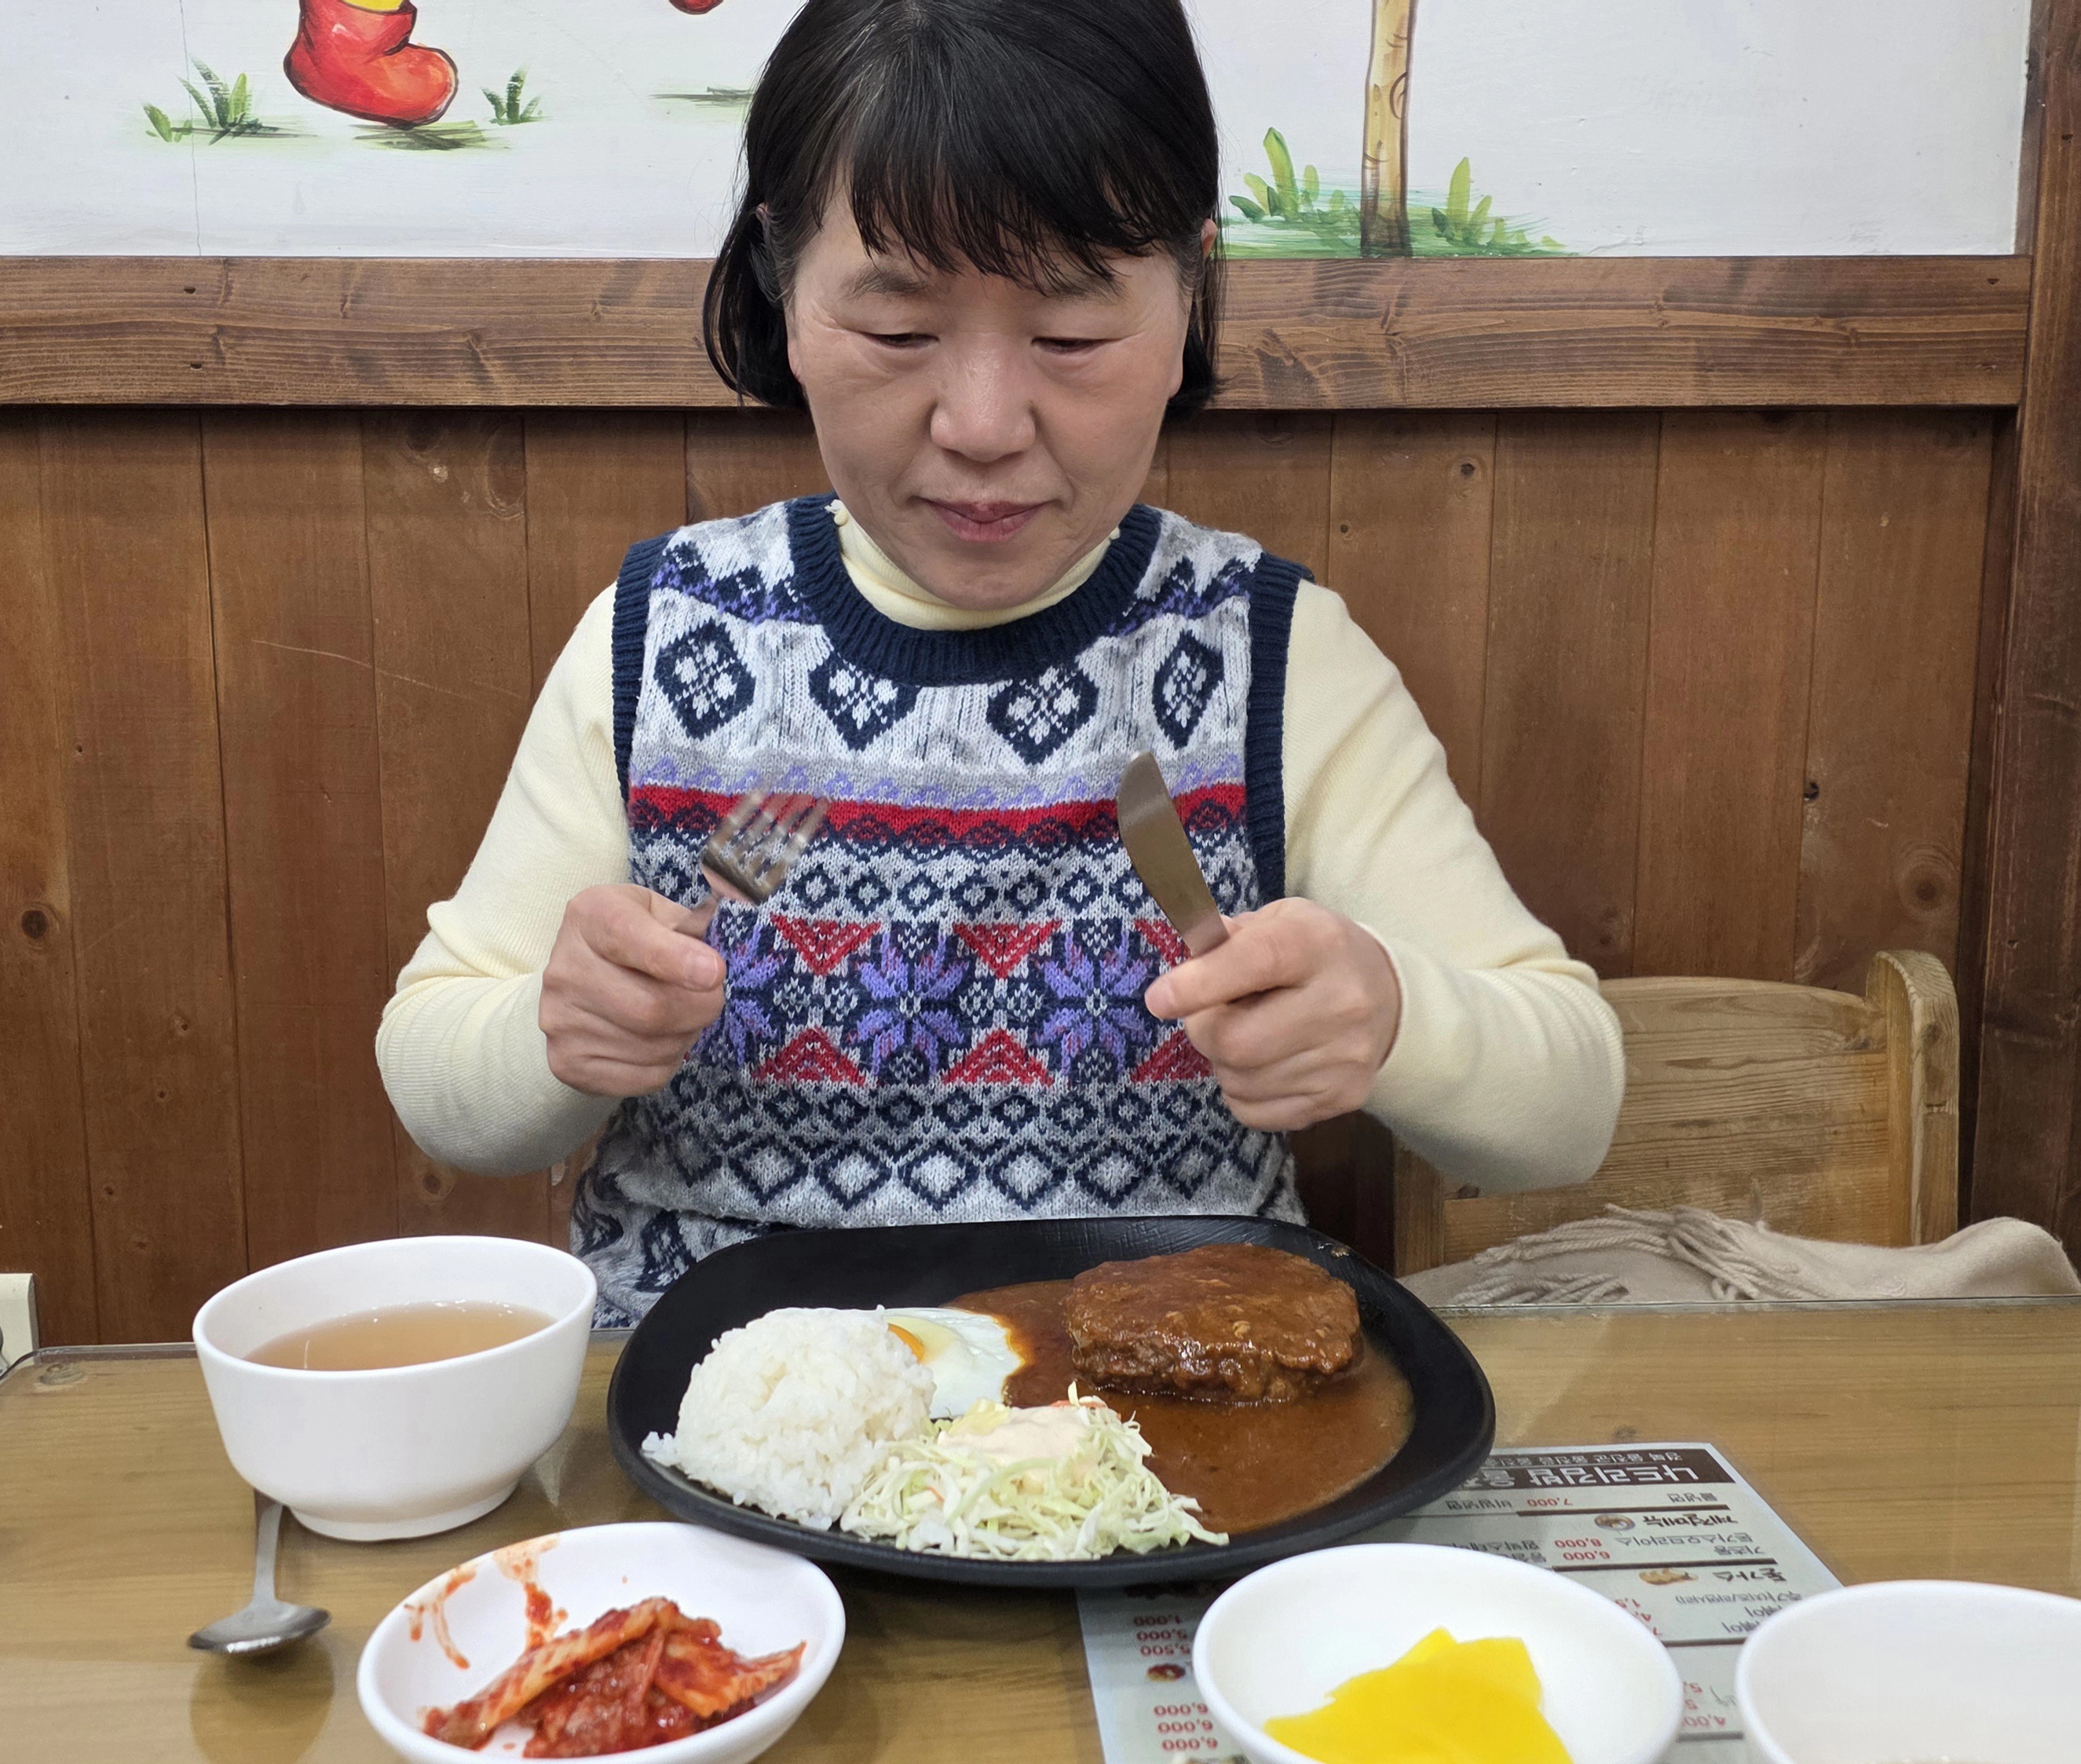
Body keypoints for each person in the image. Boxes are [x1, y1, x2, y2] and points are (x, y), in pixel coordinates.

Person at [376, 0, 1624, 1325]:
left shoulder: (1266, 653)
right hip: (712, 1396)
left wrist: (1391, 1016)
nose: (981, 426)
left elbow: (1568, 1110)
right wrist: (556, 1034)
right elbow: (437, 1071)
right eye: (898, 333)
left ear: (1188, 294)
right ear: (782, 291)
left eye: (1070, 337)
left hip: (1165, 1393)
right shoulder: (666, 631)